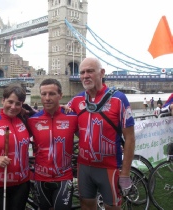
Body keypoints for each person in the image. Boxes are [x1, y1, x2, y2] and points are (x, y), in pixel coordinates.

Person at [67, 57, 135, 210]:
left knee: (112, 207)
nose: (85, 75)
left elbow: (130, 138)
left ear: (102, 73)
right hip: (84, 167)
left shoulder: (119, 99)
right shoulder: (77, 100)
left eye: (90, 71)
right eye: (82, 72)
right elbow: (59, 115)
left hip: (110, 167)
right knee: (86, 205)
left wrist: (125, 173)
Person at [27, 79, 79, 210]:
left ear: (60, 95)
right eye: (43, 94)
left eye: (52, 94)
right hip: (40, 178)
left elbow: (88, 137)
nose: (47, 98)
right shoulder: (32, 120)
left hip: (64, 177)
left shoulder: (72, 117)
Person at [0, 84, 30, 210]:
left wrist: (62, 107)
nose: (13, 107)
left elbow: (46, 114)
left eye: (18, 103)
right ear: (3, 100)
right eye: (10, 102)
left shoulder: (24, 120)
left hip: (22, 182)